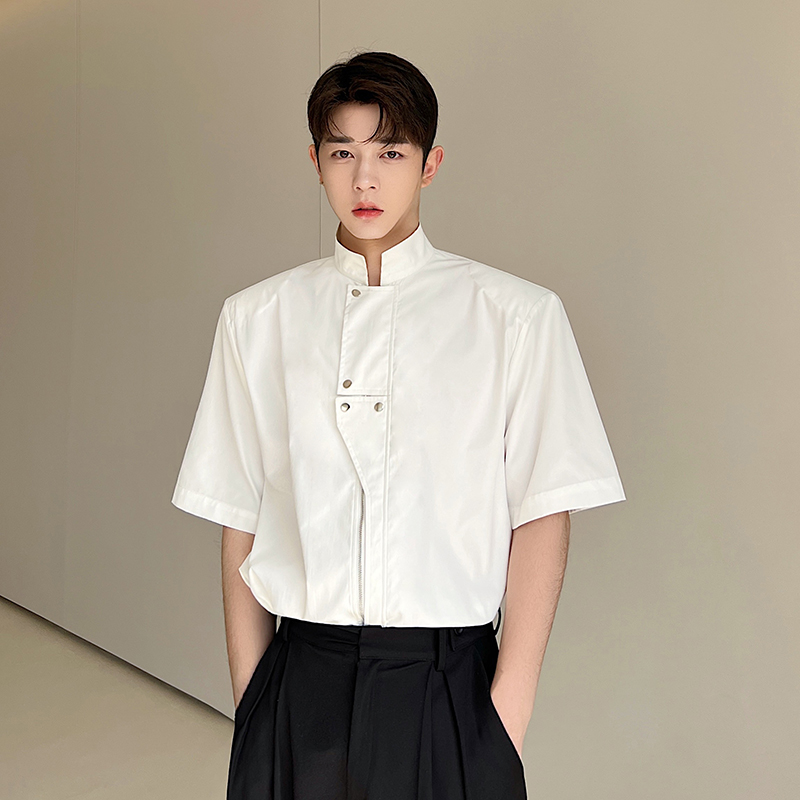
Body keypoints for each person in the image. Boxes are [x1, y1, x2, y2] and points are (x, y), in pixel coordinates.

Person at [171, 50, 626, 800]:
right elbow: (238, 515)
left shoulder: (515, 318)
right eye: (342, 152)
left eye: (390, 152)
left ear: (430, 164)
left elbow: (543, 513)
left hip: (449, 687)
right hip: (299, 681)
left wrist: (505, 719)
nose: (365, 180)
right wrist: (253, 702)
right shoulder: (257, 319)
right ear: (315, 162)